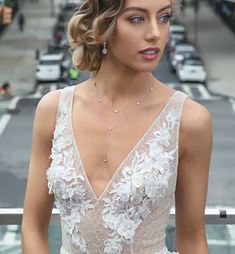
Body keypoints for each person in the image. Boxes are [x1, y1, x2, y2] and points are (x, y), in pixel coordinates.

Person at [21, 0, 212, 254]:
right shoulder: (53, 110)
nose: (155, 32)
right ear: (103, 26)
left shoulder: (190, 120)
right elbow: (32, 227)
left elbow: (192, 240)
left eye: (164, 17)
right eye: (137, 19)